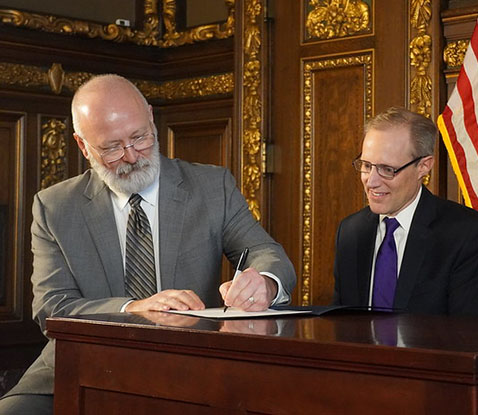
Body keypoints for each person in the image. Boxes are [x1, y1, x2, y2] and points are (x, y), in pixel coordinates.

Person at [0, 74, 296, 414]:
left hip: (190, 365)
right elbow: (53, 306)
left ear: (151, 118)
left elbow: (267, 253)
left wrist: (265, 283)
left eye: (139, 137)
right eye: (112, 147)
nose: (131, 156)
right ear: (83, 146)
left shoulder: (212, 187)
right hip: (81, 365)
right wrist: (132, 308)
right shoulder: (54, 206)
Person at [333, 107, 478, 316]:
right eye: (367, 166)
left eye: (387, 169)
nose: (372, 181)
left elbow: (474, 335)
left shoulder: (467, 234)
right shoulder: (351, 232)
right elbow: (342, 324)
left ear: (424, 166)